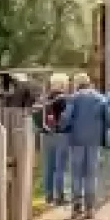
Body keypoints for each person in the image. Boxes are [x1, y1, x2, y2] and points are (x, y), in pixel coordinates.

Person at [59, 72, 110, 220]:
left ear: (77, 84)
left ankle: (76, 208)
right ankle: (90, 208)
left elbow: (66, 118)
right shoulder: (100, 98)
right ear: (89, 82)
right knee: (91, 174)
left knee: (76, 174)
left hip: (76, 140)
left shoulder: (73, 98)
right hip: (94, 141)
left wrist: (63, 126)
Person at [39, 72, 71, 205]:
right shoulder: (64, 99)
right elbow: (67, 118)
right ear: (64, 84)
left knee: (48, 167)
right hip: (61, 135)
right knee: (60, 168)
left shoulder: (44, 98)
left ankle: (48, 196)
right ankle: (60, 196)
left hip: (46, 135)